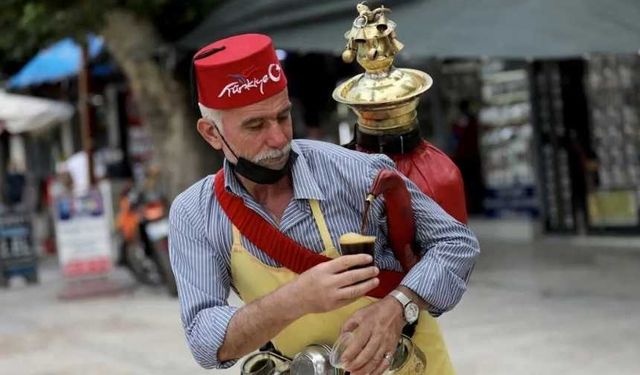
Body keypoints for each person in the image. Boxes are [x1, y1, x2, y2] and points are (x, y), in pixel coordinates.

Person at [169, 33, 480, 375]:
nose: (277, 139)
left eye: (283, 117)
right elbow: (203, 340)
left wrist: (398, 305)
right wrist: (296, 299)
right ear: (211, 133)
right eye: (255, 125)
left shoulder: (355, 170)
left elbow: (456, 243)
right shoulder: (195, 214)